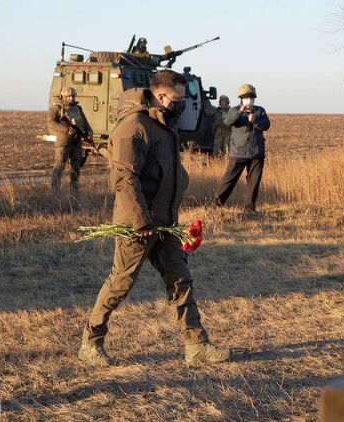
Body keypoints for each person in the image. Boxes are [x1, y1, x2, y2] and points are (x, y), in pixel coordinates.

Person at [78, 70, 230, 367]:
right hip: (139, 225)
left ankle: (196, 345)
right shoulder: (133, 127)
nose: (182, 103)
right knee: (120, 283)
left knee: (179, 279)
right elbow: (124, 179)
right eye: (178, 98)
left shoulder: (164, 124)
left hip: (165, 222)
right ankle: (90, 342)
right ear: (161, 97)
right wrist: (141, 222)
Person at [213, 84, 271, 214]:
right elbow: (227, 122)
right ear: (241, 98)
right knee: (229, 179)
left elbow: (266, 125)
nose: (249, 99)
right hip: (238, 152)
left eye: (251, 97)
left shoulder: (260, 111)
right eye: (246, 97)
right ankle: (215, 205)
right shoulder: (234, 110)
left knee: (254, 181)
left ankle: (249, 208)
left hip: (256, 152)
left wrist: (254, 120)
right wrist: (241, 111)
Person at [47, 87, 92, 191]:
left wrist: (89, 131)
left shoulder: (78, 108)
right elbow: (51, 123)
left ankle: (74, 189)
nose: (71, 98)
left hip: (77, 141)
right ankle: (55, 190)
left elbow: (84, 121)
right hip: (64, 142)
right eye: (69, 96)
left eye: (73, 96)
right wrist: (66, 130)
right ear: (64, 97)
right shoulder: (57, 108)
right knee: (60, 165)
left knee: (76, 166)